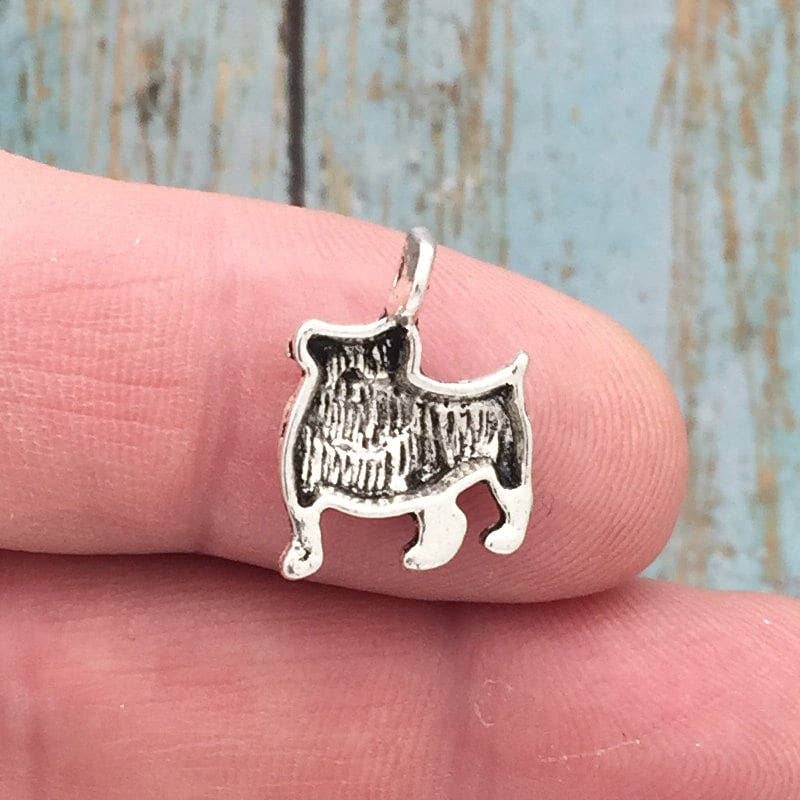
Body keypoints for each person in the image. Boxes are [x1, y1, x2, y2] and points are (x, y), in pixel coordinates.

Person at [1, 151, 797, 799]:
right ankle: (385, 528)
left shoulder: (414, 395)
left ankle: (491, 514)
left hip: (448, 426)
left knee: (469, 460)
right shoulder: (320, 421)